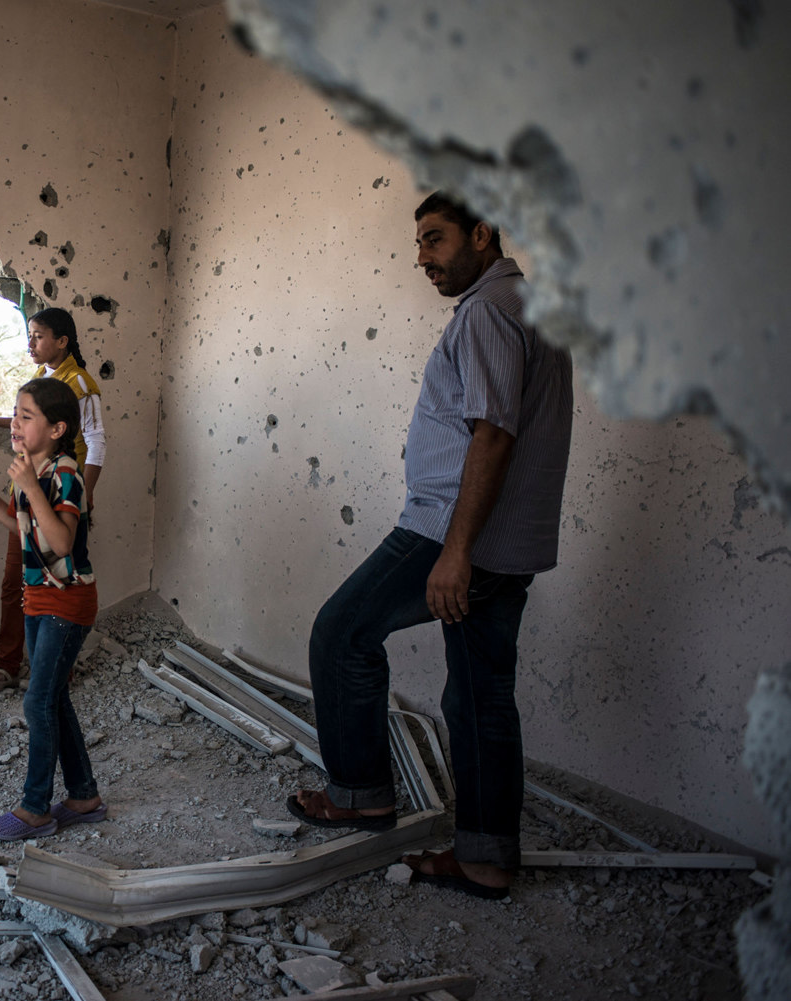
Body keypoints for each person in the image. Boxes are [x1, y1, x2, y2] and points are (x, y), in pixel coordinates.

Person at [288, 192, 574, 900]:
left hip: (449, 532)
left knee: (341, 632)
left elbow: (493, 432)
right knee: (481, 696)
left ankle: (358, 793)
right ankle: (484, 856)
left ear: (481, 234)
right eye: (418, 243)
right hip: (510, 543)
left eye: (435, 239)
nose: (422, 257)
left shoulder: (485, 311)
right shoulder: (532, 306)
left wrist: (454, 551)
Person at [0, 378, 107, 840]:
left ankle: (36, 808)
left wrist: (28, 485)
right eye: (15, 413)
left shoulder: (64, 474)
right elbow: (20, 527)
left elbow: (61, 542)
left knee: (37, 699)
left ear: (58, 428)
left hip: (67, 601)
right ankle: (83, 797)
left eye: (26, 416)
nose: (15, 424)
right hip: (38, 599)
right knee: (53, 697)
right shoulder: (29, 470)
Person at [0, 308, 105, 694]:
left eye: (38, 336)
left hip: (58, 501)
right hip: (27, 494)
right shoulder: (42, 380)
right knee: (19, 583)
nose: (31, 343)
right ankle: (11, 666)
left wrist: (83, 495)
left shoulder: (79, 383)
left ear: (62, 341)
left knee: (59, 580)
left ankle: (57, 671)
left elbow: (97, 443)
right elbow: (26, 422)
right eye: (29, 335)